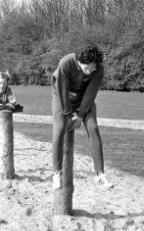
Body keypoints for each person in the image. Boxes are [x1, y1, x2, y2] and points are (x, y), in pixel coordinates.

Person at [51, 45, 113, 189]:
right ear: (79, 62)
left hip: (83, 98)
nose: (90, 71)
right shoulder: (66, 63)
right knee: (60, 128)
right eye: (87, 68)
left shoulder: (98, 69)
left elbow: (90, 93)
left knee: (93, 127)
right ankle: (56, 173)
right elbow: (62, 90)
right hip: (61, 96)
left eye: (93, 69)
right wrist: (68, 114)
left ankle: (100, 174)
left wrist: (80, 116)